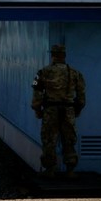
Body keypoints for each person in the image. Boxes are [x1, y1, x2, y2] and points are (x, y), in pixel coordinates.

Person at [31, 44, 86, 178]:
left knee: (49, 140)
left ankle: (50, 170)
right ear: (64, 56)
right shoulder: (75, 73)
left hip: (50, 111)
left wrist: (38, 110)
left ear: (52, 55)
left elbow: (37, 94)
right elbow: (81, 97)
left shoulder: (42, 72)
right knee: (69, 140)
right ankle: (70, 170)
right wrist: (76, 111)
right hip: (68, 110)